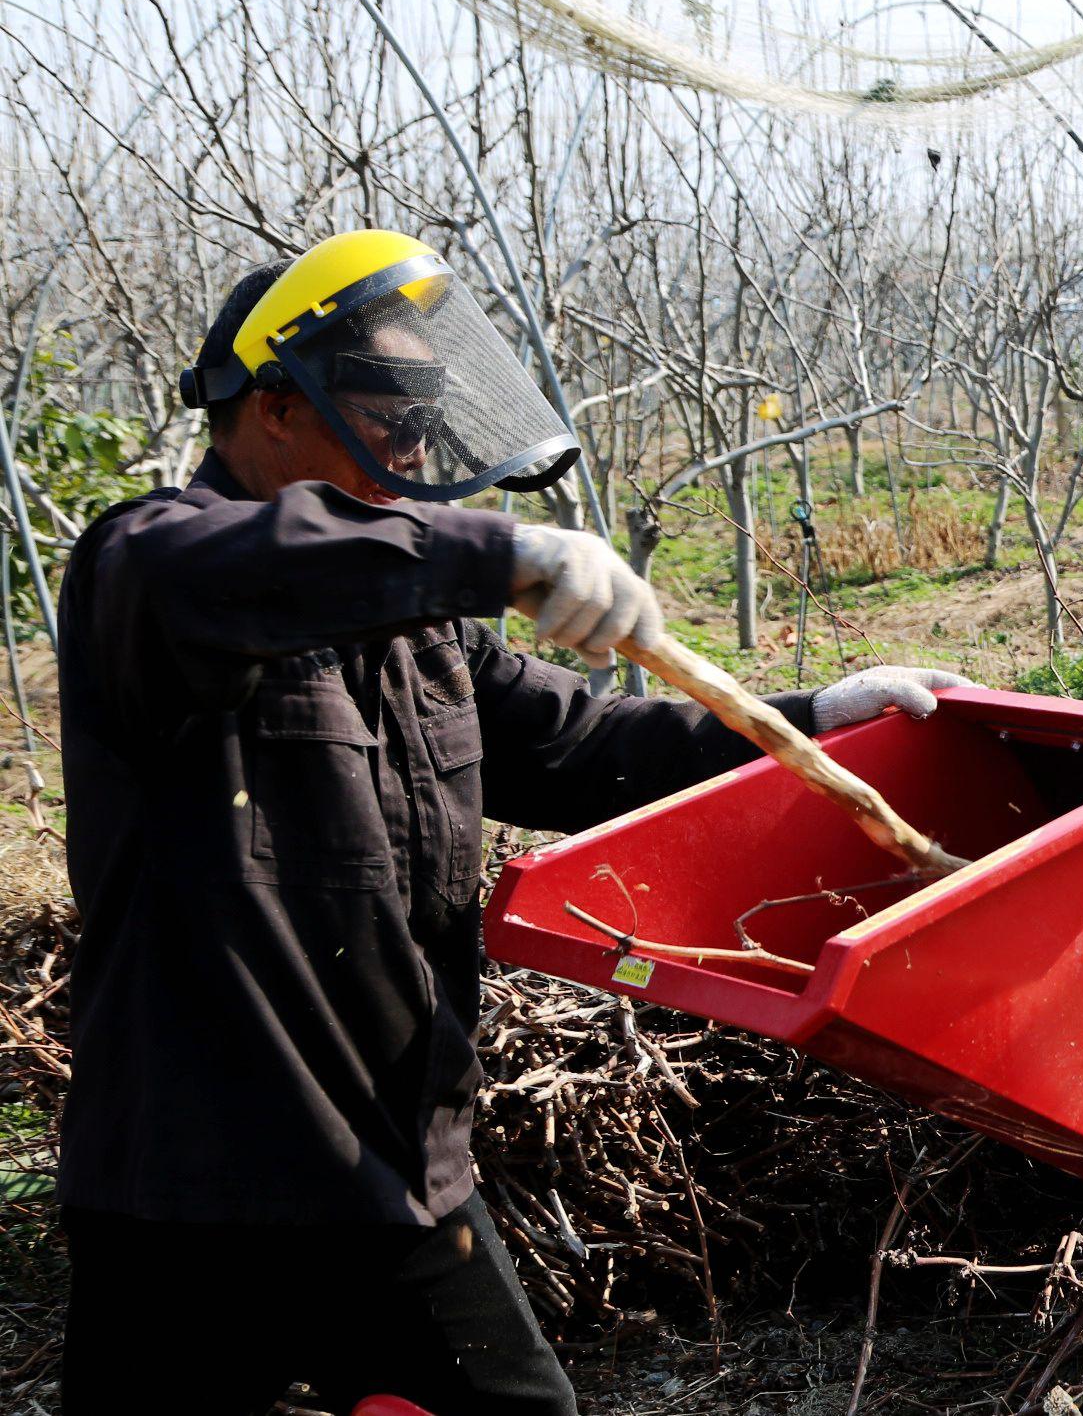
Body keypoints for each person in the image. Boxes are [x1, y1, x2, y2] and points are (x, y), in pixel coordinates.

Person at [55, 229, 964, 1416]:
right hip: (187, 1194)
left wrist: (811, 722)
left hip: (390, 1172)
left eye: (431, 423)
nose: (417, 454)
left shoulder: (421, 630)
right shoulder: (149, 571)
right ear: (274, 407)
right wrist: (494, 552)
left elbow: (585, 747)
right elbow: (234, 563)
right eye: (391, 415)